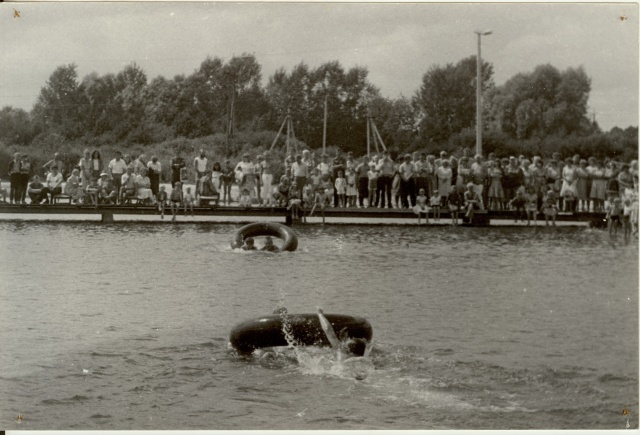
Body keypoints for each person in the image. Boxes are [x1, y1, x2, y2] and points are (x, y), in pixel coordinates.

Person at [316, 308, 373, 380]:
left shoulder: (341, 351)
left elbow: (328, 330)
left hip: (340, 374)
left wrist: (320, 314)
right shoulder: (365, 357)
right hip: (358, 374)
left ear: (347, 349)